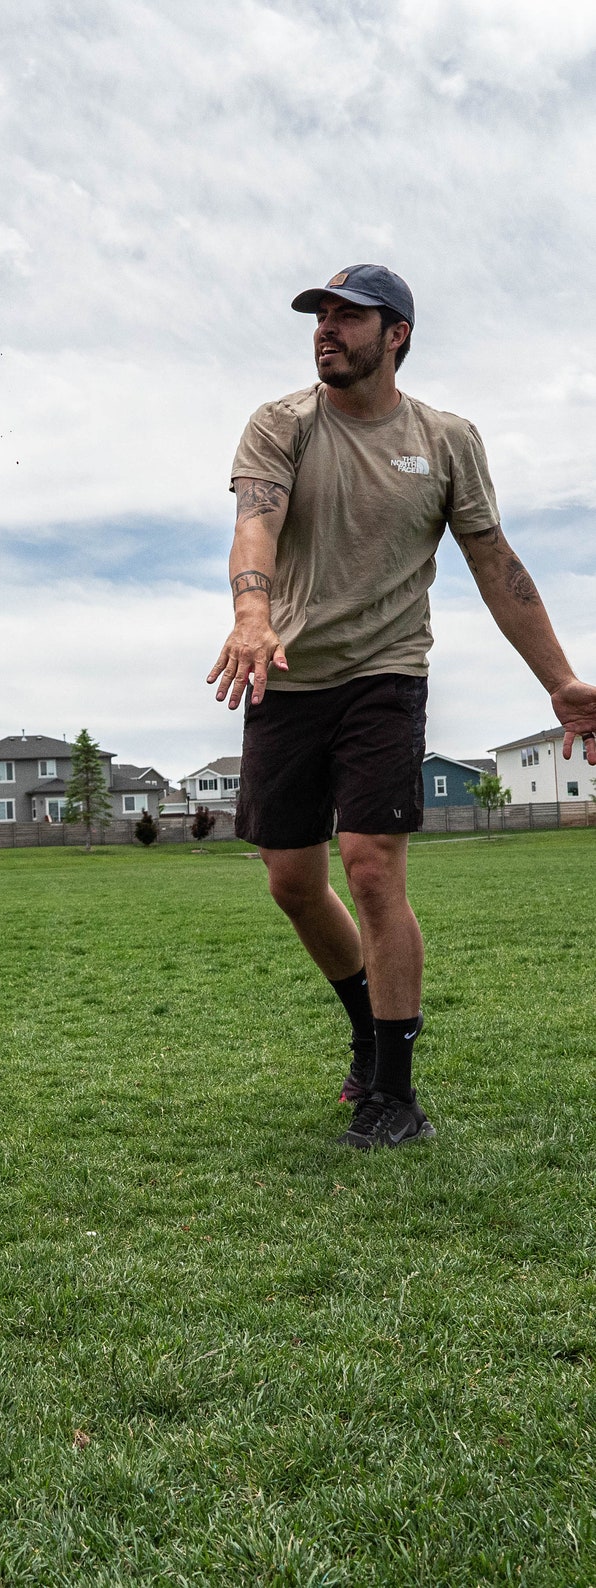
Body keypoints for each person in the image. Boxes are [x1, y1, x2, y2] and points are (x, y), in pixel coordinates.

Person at [209, 264, 596, 1149]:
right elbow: (255, 524)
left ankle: (395, 1093)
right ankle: (365, 1027)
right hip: (287, 671)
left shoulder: (446, 440)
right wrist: (251, 614)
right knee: (292, 882)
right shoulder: (282, 424)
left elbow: (495, 563)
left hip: (387, 673)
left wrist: (561, 681)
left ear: (397, 336)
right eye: (320, 314)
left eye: (349, 316)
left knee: (372, 866)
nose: (326, 328)